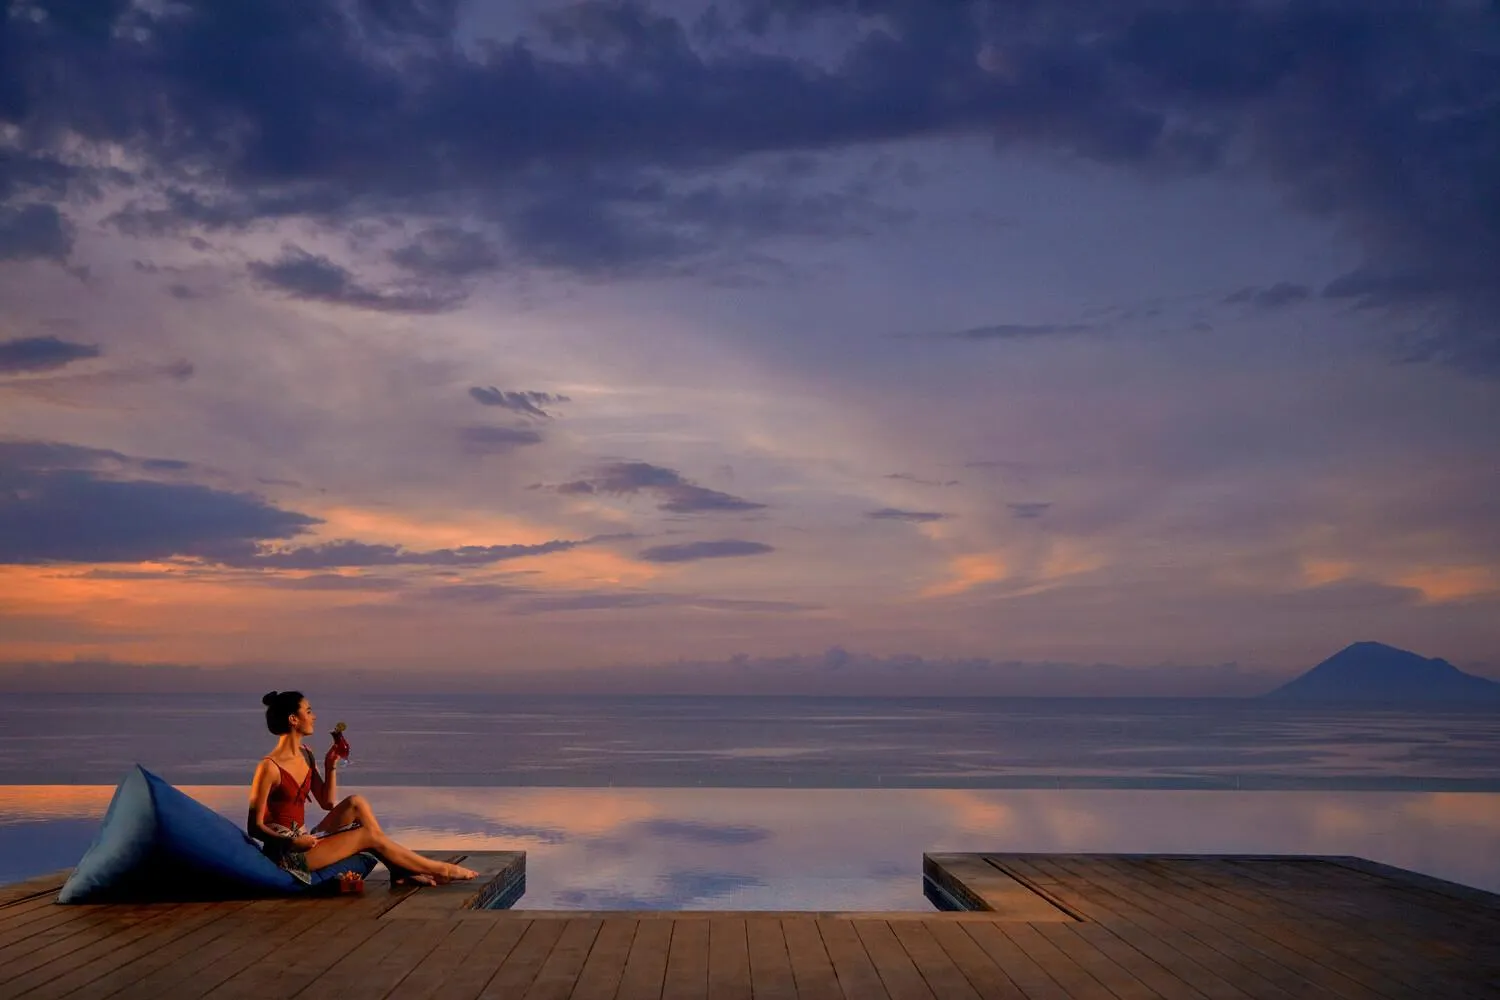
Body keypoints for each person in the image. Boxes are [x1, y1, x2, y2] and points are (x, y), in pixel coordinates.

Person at [248, 690, 476, 887]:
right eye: (308, 711)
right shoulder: (269, 767)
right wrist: (292, 843)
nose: (313, 716)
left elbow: (327, 803)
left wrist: (330, 766)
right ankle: (439, 869)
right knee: (368, 835)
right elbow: (254, 827)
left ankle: (398, 869)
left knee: (356, 802)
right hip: (287, 855)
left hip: (305, 840)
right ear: (293, 719)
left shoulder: (306, 753)